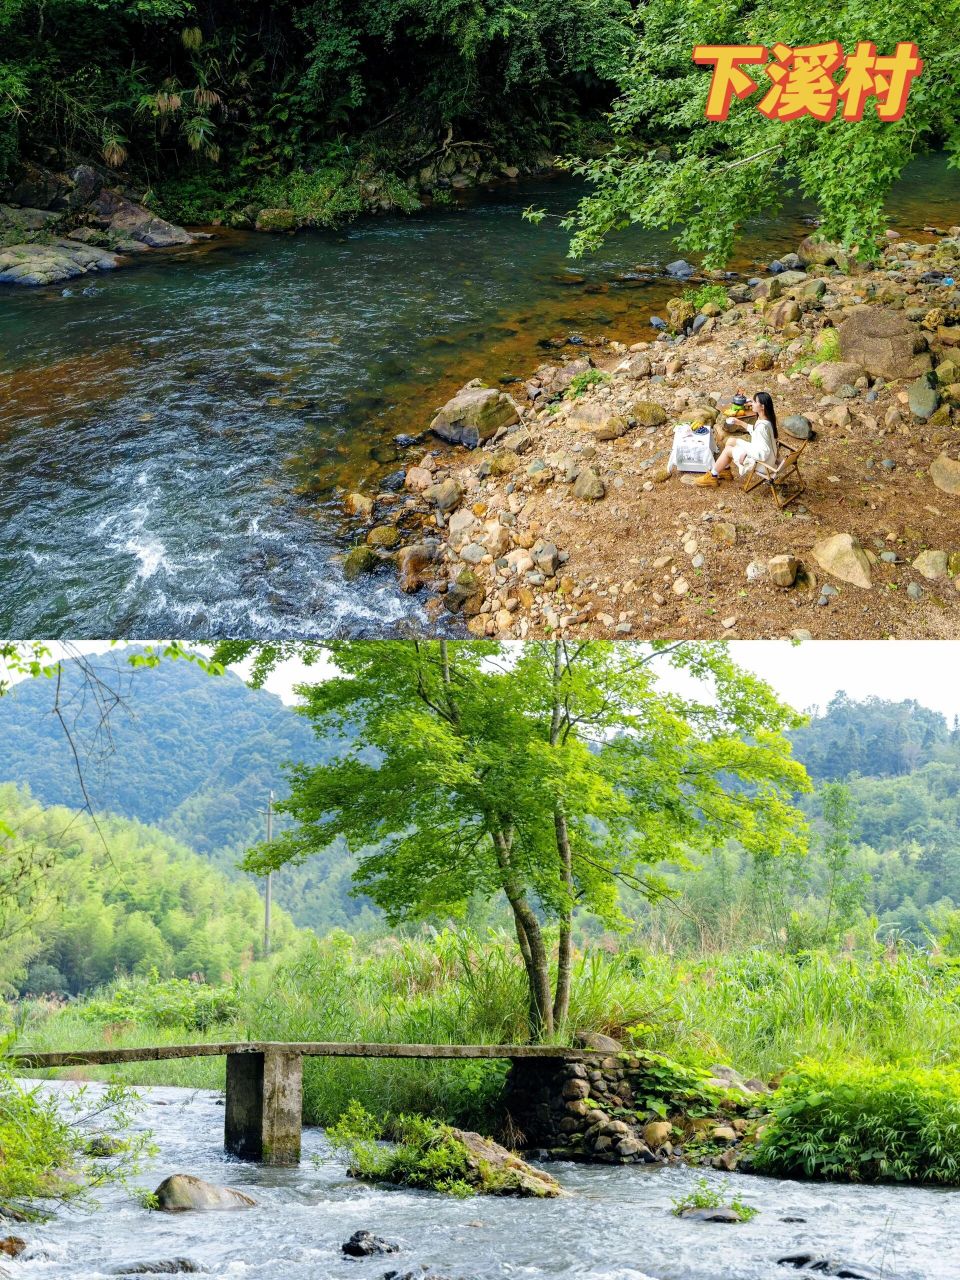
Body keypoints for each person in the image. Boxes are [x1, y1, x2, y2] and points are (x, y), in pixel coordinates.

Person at [695, 391, 778, 487]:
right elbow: (756, 431)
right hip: (767, 457)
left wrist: (746, 453)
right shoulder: (766, 420)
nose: (752, 403)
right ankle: (725, 470)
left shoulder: (762, 427)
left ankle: (712, 476)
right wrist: (740, 422)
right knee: (731, 441)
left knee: (727, 450)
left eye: (755, 402)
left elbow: (764, 453)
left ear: (762, 407)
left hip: (763, 464)